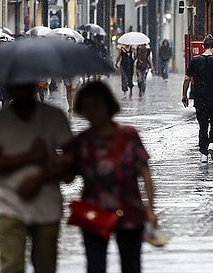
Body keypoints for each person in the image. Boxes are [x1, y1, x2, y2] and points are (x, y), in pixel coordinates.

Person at [62, 81, 157, 273]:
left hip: (129, 209)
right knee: (95, 266)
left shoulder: (129, 135)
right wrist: (62, 158)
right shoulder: (81, 142)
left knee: (131, 266)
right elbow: (68, 178)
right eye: (87, 107)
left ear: (108, 104)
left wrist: (150, 209)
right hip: (94, 212)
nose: (93, 112)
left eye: (97, 105)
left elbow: (145, 173)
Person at [0, 82, 72, 273]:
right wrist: (30, 156)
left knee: (46, 266)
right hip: (10, 208)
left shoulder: (54, 117)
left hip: (48, 208)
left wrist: (41, 177)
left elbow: (72, 167)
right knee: (11, 267)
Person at [182, 34, 213, 162]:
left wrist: (184, 95)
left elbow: (186, 79)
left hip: (200, 99)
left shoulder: (195, 60)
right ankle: (212, 143)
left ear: (202, 46)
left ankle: (203, 154)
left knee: (203, 125)